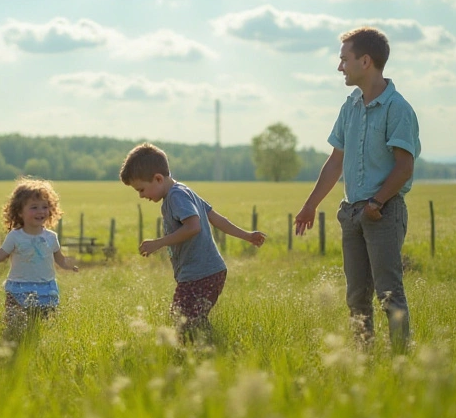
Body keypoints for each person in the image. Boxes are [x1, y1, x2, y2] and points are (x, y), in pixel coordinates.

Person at [294, 26, 421, 354]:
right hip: (352, 213)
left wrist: (376, 203)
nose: (340, 67)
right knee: (355, 297)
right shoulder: (349, 107)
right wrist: (310, 205)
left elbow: (404, 166)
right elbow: (335, 163)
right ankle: (363, 359)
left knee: (389, 294)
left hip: (382, 212)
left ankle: (401, 362)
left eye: (344, 60)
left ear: (366, 61)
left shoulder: (398, 108)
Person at [120, 143, 266, 341]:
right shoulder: (184, 191)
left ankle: (209, 353)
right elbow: (217, 219)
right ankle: (212, 349)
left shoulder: (176, 196)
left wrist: (159, 243)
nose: (141, 195)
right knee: (189, 321)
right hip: (208, 271)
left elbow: (193, 227)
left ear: (158, 178)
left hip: (200, 273)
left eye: (142, 189)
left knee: (183, 322)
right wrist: (247, 235)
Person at [0, 177, 79, 340]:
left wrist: (69, 265)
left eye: (44, 207)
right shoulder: (15, 236)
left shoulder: (51, 237)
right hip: (18, 288)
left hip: (46, 287)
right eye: (34, 207)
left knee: (43, 324)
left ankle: (37, 347)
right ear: (20, 211)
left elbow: (60, 259)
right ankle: (13, 345)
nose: (40, 211)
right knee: (14, 324)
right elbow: (0, 255)